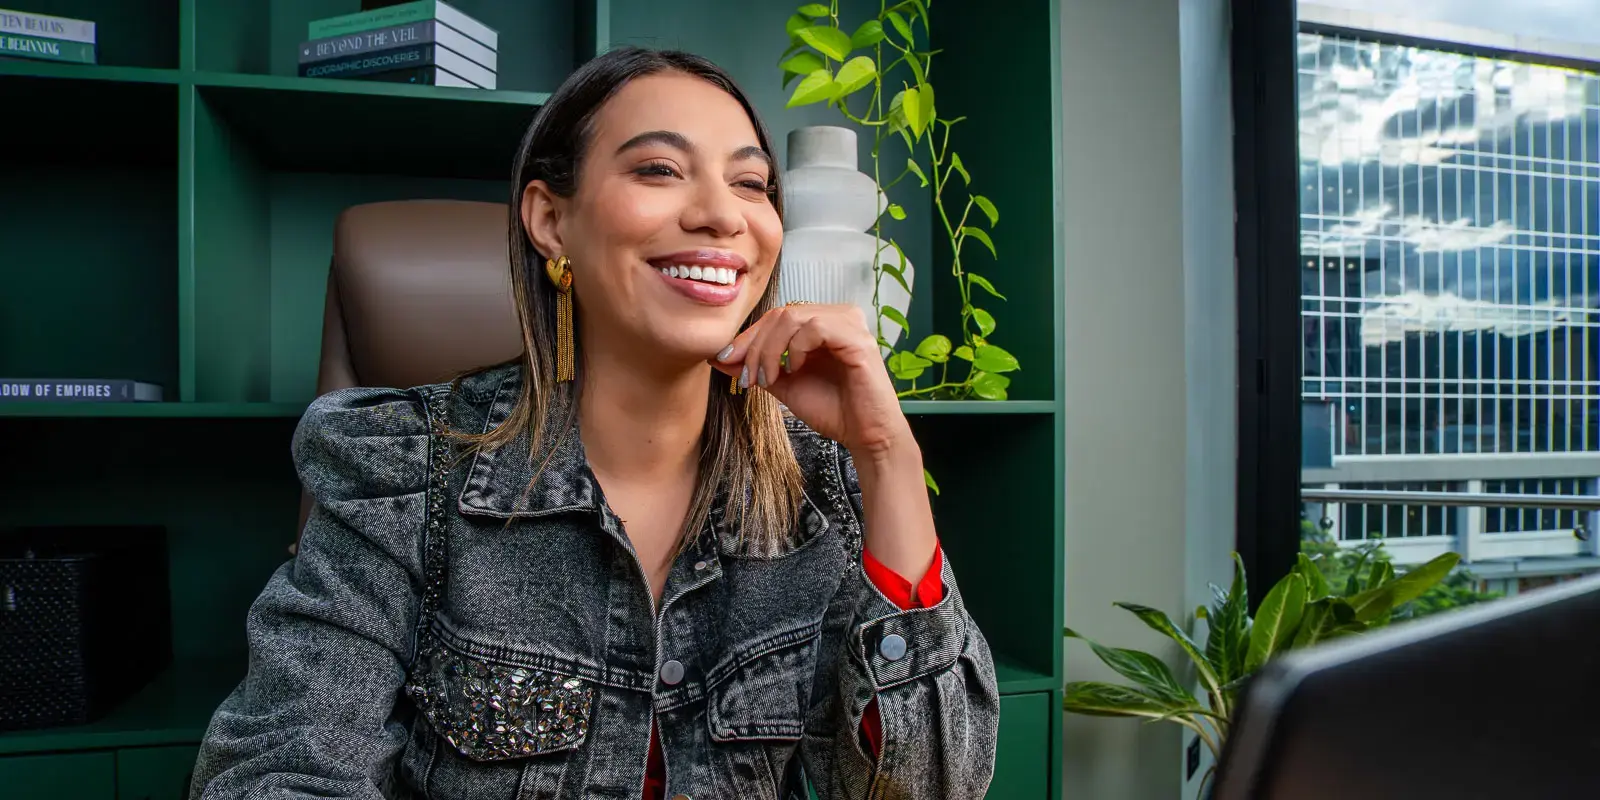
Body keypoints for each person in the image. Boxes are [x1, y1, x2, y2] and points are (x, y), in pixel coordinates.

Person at [187, 46, 999, 800]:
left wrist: (887, 453)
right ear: (550, 222)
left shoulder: (819, 479)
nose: (722, 214)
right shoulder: (403, 467)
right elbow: (282, 768)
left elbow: (930, 786)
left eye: (752, 184)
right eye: (659, 168)